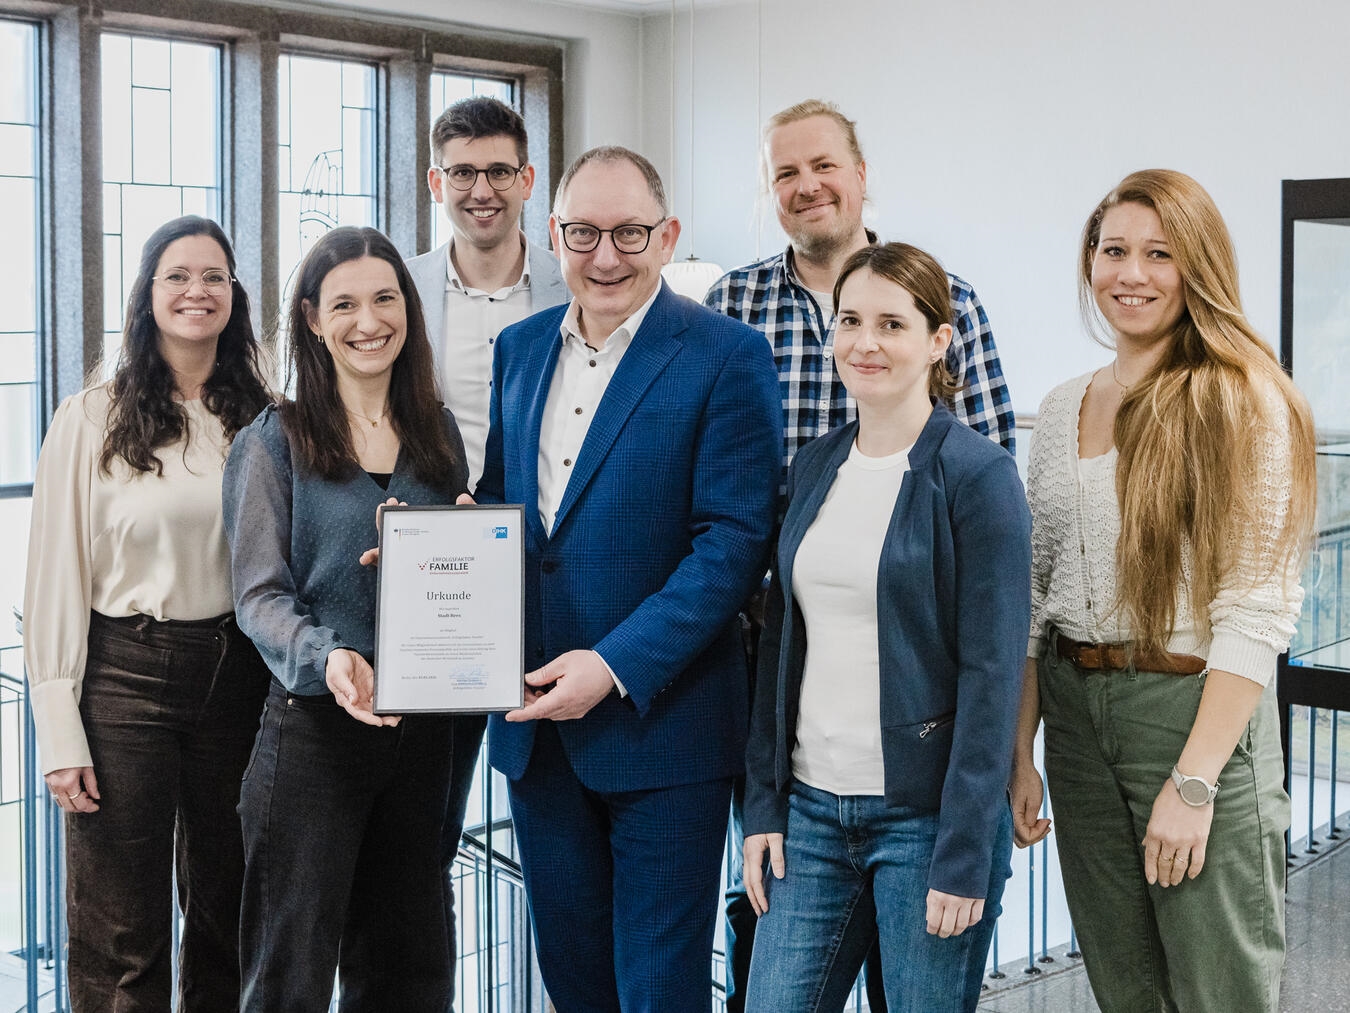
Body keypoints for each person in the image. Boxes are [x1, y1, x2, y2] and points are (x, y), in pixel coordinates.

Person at [705, 98, 1016, 1010]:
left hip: (920, 797)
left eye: (890, 325)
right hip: (807, 795)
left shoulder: (975, 474)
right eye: (851, 323)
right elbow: (780, 626)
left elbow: (992, 662)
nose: (866, 342)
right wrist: (764, 806)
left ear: (936, 338)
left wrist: (965, 844)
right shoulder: (811, 463)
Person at [476, 145, 781, 1010]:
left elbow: (732, 543)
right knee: (575, 985)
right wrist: (434, 556)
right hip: (537, 733)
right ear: (553, 235)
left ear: (667, 234)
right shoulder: (521, 348)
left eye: (629, 232)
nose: (605, 255)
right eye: (583, 233)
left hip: (665, 732)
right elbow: (506, 510)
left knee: (657, 989)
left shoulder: (727, 354)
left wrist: (609, 665)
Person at [1009, 169, 1317, 1013]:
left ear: (1198, 268)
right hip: (1075, 716)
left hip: (1188, 711)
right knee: (1124, 984)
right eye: (1114, 250)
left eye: (1159, 253)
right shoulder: (1062, 404)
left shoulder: (1243, 401)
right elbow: (1034, 598)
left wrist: (1195, 782)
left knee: (1219, 988)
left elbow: (1256, 608)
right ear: (1090, 261)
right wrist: (1021, 750)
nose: (1130, 273)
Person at [23, 215, 272, 1011]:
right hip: (123, 675)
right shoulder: (90, 417)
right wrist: (60, 728)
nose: (197, 290)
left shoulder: (265, 420)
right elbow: (53, 576)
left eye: (214, 276)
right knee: (121, 934)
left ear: (235, 293)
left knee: (228, 914)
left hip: (240, 675)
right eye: (178, 275)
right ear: (148, 293)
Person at [223, 226, 469, 1011]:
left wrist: (466, 545)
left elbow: (458, 575)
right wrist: (328, 655)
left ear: (409, 308)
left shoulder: (438, 432)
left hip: (426, 740)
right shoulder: (274, 440)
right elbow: (259, 596)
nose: (370, 320)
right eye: (346, 304)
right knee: (289, 976)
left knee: (410, 973)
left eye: (385, 298)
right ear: (312, 320)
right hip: (314, 737)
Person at [404, 97, 568, 958]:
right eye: (462, 172)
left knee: (554, 831)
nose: (481, 189)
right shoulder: (399, 286)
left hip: (551, 585)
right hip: (439, 582)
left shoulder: (573, 282)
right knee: (424, 829)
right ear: (437, 181)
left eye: (499, 170)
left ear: (527, 180)